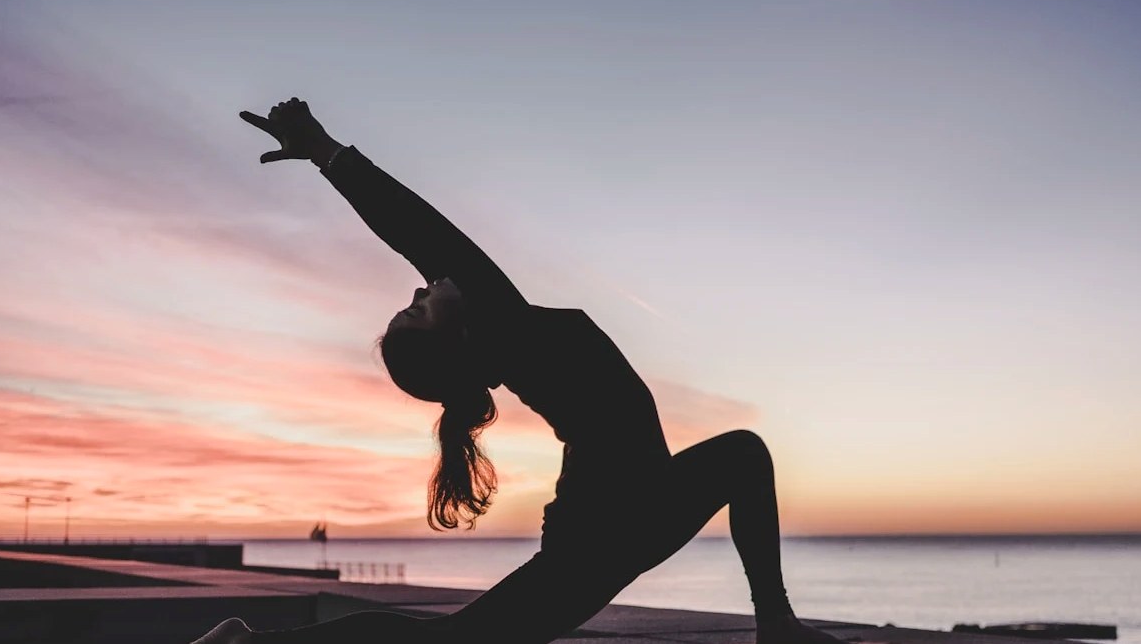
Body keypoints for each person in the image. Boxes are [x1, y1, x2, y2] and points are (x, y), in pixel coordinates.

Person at [195, 98, 846, 644]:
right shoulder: (505, 327)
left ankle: (775, 621)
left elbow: (427, 246)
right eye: (418, 309)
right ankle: (246, 642)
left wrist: (327, 153)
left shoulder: (501, 334)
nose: (423, 290)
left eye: (415, 298)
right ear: (456, 339)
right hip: (608, 526)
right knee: (456, 640)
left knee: (742, 455)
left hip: (636, 507)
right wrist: (327, 152)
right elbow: (419, 230)